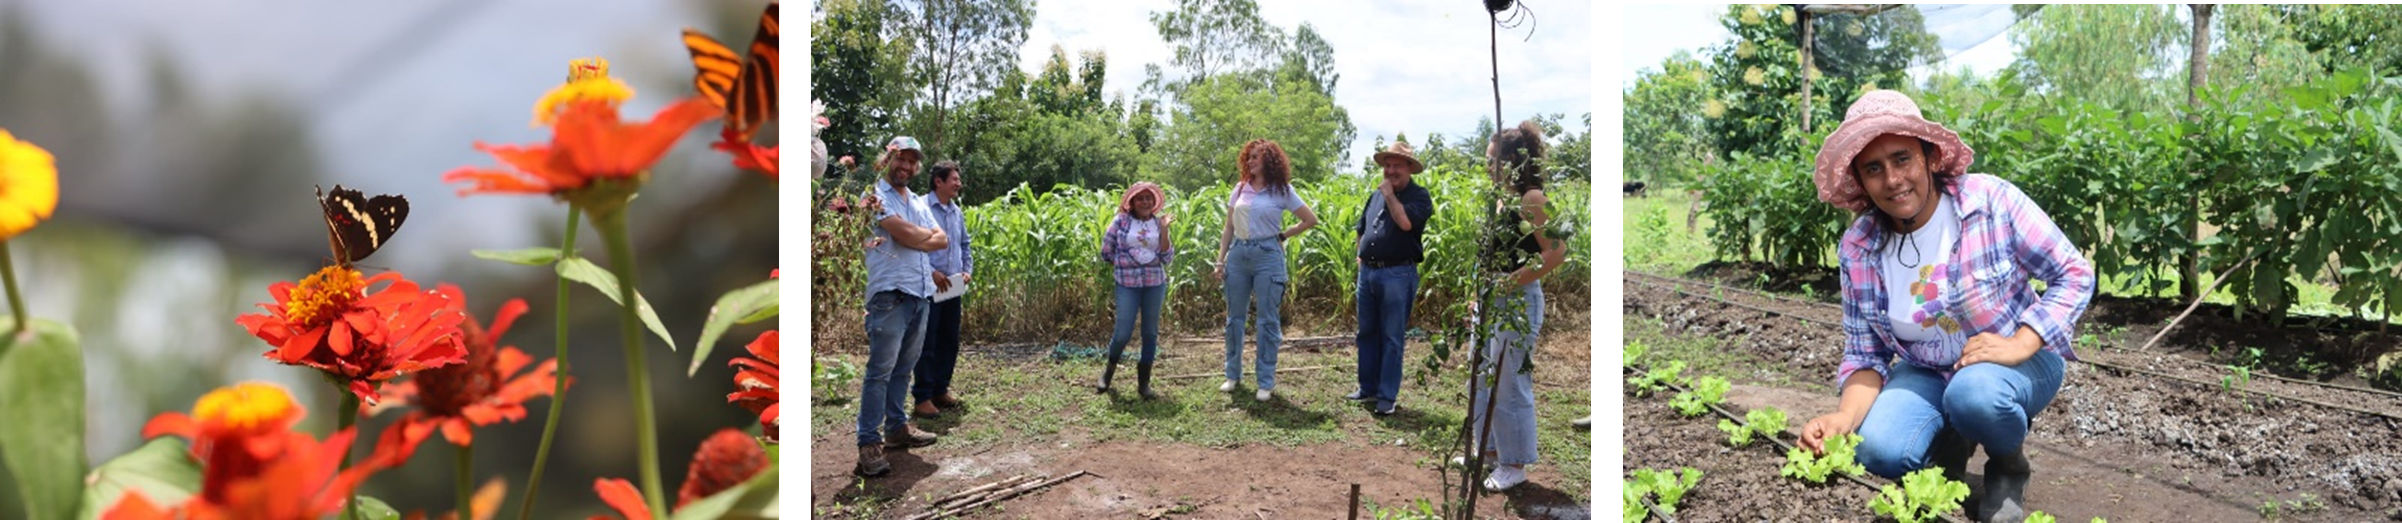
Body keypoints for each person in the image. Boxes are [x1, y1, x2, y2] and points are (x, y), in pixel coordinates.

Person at [1795, 90, 2094, 523]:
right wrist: (1843, 418)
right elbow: (1866, 355)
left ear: (1931, 157)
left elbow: (2073, 272)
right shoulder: (1859, 247)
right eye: (1873, 169)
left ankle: (2008, 467)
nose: (1893, 179)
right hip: (1929, 368)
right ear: (1860, 181)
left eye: (1902, 159)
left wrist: (2023, 341)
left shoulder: (1989, 203)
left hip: (2016, 366)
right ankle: (1951, 437)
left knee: (1975, 395)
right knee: (1878, 450)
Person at [1465, 120, 1567, 492]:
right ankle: (1488, 451)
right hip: (1491, 298)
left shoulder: (1532, 199)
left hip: (1517, 301)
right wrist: (1478, 293)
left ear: (1513, 162)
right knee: (1479, 375)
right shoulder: (1500, 199)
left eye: (1493, 160)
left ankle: (1514, 463)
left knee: (1509, 383)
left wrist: (1508, 282)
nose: (1488, 166)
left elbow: (1556, 253)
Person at [853, 136, 948, 477]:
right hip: (890, 294)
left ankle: (896, 428)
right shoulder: (874, 196)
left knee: (903, 369)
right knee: (879, 371)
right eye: (900, 159)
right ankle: (869, 442)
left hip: (920, 293)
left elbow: (943, 238)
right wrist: (918, 236)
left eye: (911, 161)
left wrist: (915, 235)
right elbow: (910, 237)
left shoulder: (919, 203)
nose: (905, 166)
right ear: (887, 160)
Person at [1214, 139, 1318, 402]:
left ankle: (1265, 381)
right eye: (1248, 157)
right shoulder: (1239, 189)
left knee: (1267, 320)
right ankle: (1233, 375)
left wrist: (1284, 235)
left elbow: (1309, 219)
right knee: (1234, 319)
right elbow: (1228, 227)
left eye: (1256, 157)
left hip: (1267, 256)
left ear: (1269, 160)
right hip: (1238, 254)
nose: (1250, 161)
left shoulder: (1281, 190)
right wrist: (1220, 260)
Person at [1350, 140, 1434, 417]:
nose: (1390, 170)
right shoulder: (1375, 196)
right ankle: (1368, 388)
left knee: (1392, 336)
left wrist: (1389, 196)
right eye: (1387, 165)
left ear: (1409, 167)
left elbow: (1406, 224)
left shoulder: (1418, 197)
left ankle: (1387, 396)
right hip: (1369, 272)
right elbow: (1361, 227)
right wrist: (1360, 255)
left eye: (1397, 165)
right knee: (1366, 333)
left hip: (1398, 273)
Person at [1097, 182, 1175, 400]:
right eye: (1140, 198)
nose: (1145, 202)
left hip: (1154, 283)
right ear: (1131, 202)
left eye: (1149, 198)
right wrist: (1125, 264)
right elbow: (1106, 250)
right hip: (1127, 284)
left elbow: (1167, 257)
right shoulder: (1121, 221)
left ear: (1154, 202)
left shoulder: (1158, 224)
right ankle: (1108, 373)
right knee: (1122, 332)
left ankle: (1144, 384)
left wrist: (1165, 230)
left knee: (1150, 333)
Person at [914, 160, 973, 418]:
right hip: (929, 285)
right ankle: (923, 396)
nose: (958, 184)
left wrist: (967, 269)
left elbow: (964, 244)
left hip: (953, 286)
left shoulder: (955, 212)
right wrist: (932, 272)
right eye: (954, 180)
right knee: (928, 341)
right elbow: (913, 246)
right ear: (939, 181)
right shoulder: (920, 207)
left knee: (949, 338)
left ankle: (941, 389)